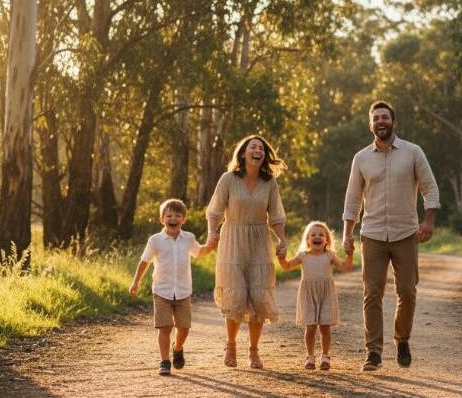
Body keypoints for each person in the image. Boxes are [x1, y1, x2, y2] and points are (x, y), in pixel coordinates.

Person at [342, 100, 440, 371]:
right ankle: (373, 352)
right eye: (376, 118)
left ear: (393, 122)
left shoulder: (413, 152)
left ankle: (402, 339)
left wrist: (428, 221)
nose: (381, 122)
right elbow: (352, 198)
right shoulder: (361, 158)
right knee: (372, 293)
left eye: (385, 117)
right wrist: (347, 233)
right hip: (372, 234)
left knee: (407, 292)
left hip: (405, 233)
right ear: (370, 124)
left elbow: (430, 188)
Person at [203, 135, 287, 369]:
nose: (258, 150)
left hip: (260, 241)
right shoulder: (229, 179)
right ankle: (231, 345)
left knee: (260, 296)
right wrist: (212, 232)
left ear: (264, 155)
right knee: (236, 295)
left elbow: (277, 215)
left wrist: (282, 239)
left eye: (261, 148)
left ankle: (254, 350)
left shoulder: (269, 183)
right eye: (253, 147)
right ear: (243, 153)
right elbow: (215, 210)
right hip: (232, 240)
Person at [129, 199, 211, 376]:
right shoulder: (155, 240)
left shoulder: (188, 238)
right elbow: (144, 262)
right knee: (165, 327)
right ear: (162, 219)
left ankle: (178, 347)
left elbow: (199, 252)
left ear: (184, 220)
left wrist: (210, 244)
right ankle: (164, 361)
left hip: (182, 291)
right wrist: (135, 282)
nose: (173, 218)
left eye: (178, 216)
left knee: (184, 327)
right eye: (169, 215)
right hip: (161, 290)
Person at [277, 221, 353, 370]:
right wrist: (281, 257)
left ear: (327, 240)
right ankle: (310, 356)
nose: (317, 237)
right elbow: (286, 266)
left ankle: (325, 356)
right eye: (313, 235)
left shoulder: (329, 255)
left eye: (321, 235)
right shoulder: (303, 256)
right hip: (308, 294)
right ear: (307, 240)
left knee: (325, 327)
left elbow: (345, 267)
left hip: (326, 294)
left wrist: (349, 255)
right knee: (310, 327)